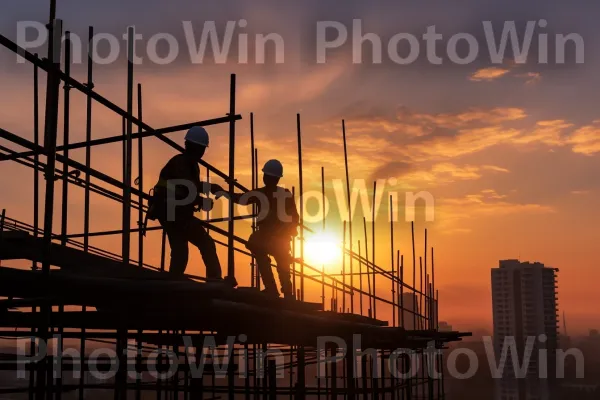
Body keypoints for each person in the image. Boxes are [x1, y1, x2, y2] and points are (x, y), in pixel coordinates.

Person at [147, 126, 236, 286]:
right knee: (199, 245)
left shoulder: (191, 164)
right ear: (195, 147)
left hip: (177, 213)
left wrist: (212, 188)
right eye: (201, 149)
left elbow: (193, 186)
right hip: (170, 211)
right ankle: (212, 281)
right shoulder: (181, 162)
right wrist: (202, 201)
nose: (202, 153)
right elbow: (186, 189)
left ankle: (176, 281)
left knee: (184, 250)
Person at [212, 159, 298, 298]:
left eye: (266, 176)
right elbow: (295, 219)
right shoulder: (281, 194)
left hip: (274, 238)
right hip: (278, 239)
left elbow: (241, 199)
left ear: (269, 178)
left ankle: (274, 289)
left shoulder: (264, 194)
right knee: (281, 262)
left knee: (260, 248)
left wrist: (223, 192)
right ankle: (285, 293)